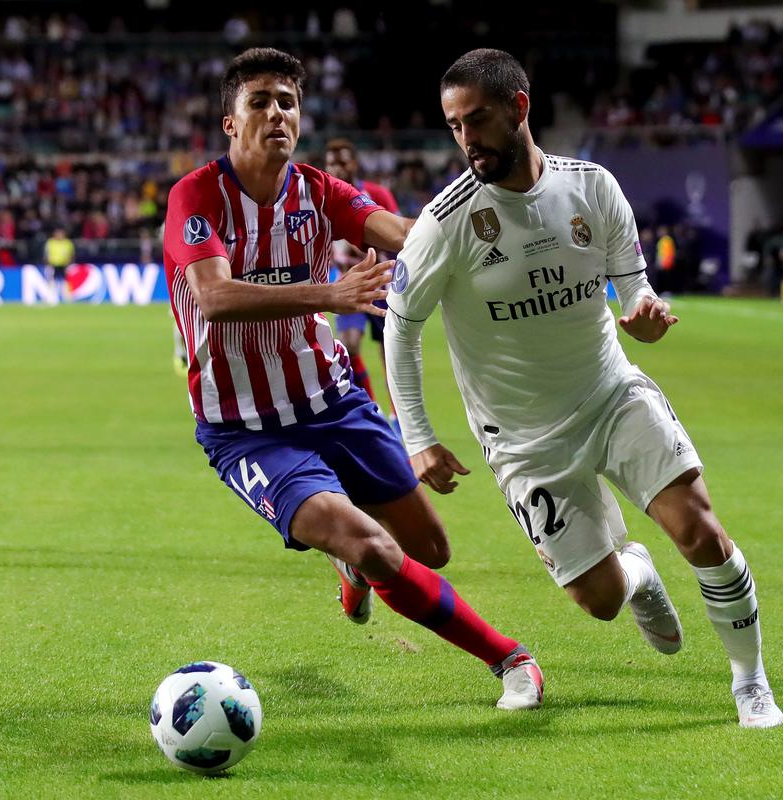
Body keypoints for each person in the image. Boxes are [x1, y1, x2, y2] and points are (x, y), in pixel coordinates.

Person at [385, 48, 783, 728]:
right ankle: (636, 574)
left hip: (610, 396)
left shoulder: (592, 188)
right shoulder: (445, 224)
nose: (465, 139)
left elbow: (635, 292)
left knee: (701, 531)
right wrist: (417, 437)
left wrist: (647, 317)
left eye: (476, 120)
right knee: (598, 600)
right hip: (524, 442)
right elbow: (400, 328)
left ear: (519, 107)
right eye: (454, 126)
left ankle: (750, 681)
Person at [163, 47, 544, 711]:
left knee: (430, 548)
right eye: (260, 101)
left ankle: (350, 565)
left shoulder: (316, 190)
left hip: (332, 401)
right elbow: (215, 297)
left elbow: (399, 233)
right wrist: (329, 295)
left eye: (287, 101)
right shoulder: (197, 196)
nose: (277, 112)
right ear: (231, 122)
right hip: (245, 429)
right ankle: (510, 658)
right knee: (371, 542)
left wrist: (484, 240)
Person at [322, 138, 399, 412]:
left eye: (343, 161)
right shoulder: (322, 200)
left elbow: (399, 234)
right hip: (348, 284)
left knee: (389, 351)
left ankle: (398, 417)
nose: (338, 168)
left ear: (354, 162)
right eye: (332, 163)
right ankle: (372, 407)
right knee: (350, 345)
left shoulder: (377, 194)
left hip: (382, 282)